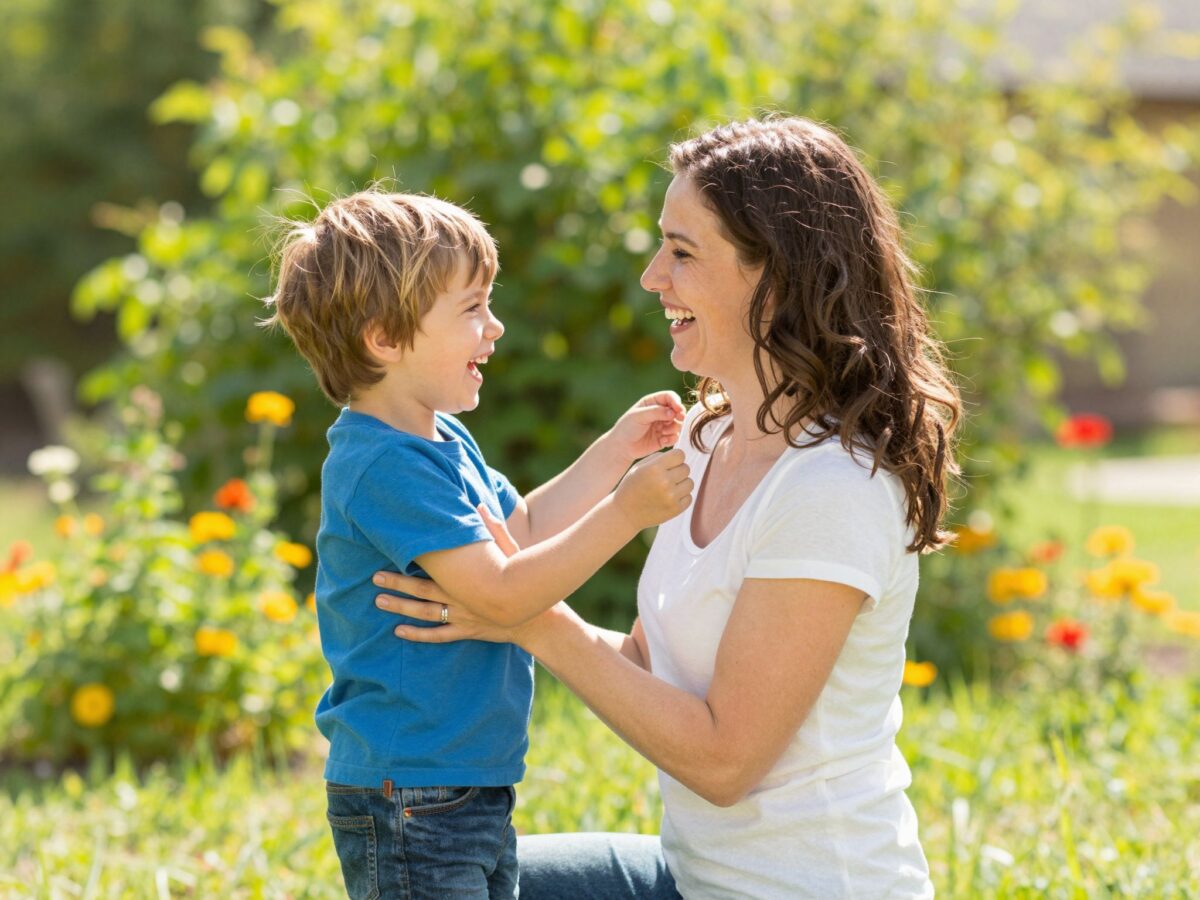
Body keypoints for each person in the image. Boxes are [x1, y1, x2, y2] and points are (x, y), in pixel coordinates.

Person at [371, 116, 962, 898]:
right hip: (692, 879)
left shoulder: (832, 489)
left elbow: (724, 762)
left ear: (776, 277)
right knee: (431, 879)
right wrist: (500, 602)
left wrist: (528, 618)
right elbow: (651, 668)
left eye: (682, 252)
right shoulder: (704, 439)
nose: (653, 277)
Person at [264, 189, 693, 899]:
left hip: (461, 783)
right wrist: (626, 513)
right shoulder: (383, 463)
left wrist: (614, 453)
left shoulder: (439, 437)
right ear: (384, 337)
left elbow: (521, 531)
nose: (495, 327)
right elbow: (501, 593)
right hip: (411, 794)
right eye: (472, 309)